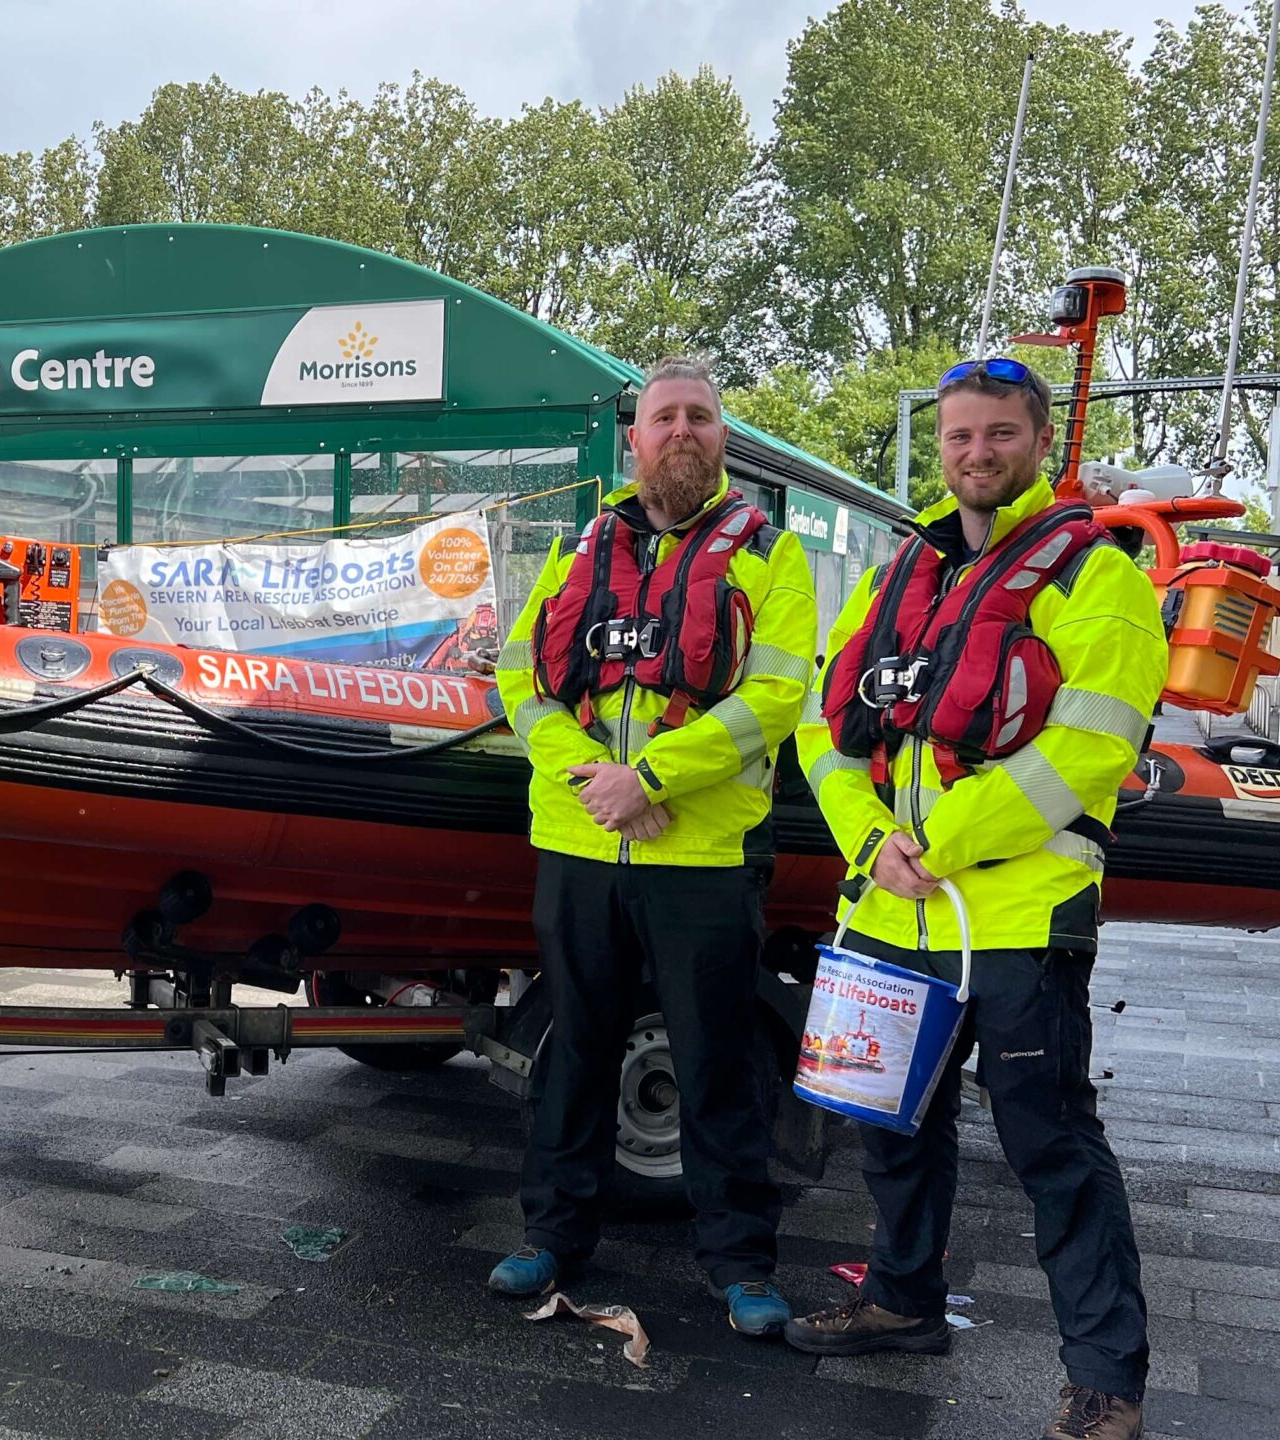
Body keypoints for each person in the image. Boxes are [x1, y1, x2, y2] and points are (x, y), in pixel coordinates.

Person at [787, 358, 1164, 1440]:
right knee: (891, 1124)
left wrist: (934, 845)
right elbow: (825, 720)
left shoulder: (1099, 577)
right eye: (957, 437)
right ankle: (902, 1300)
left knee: (1049, 1141)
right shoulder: (898, 567)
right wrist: (871, 841)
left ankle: (1104, 1376)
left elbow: (1087, 750)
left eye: (998, 435)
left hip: (1016, 907)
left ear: (1038, 443)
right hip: (890, 899)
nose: (975, 455)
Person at [489, 355, 816, 1336]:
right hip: (582, 844)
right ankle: (552, 1236)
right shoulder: (573, 553)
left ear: (724, 440)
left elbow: (775, 696)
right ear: (632, 440)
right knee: (574, 1053)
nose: (682, 432)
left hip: (702, 858)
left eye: (700, 419)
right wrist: (597, 778)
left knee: (716, 1065)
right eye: (664, 417)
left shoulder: (771, 557)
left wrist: (655, 777)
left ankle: (738, 1262)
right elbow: (521, 681)